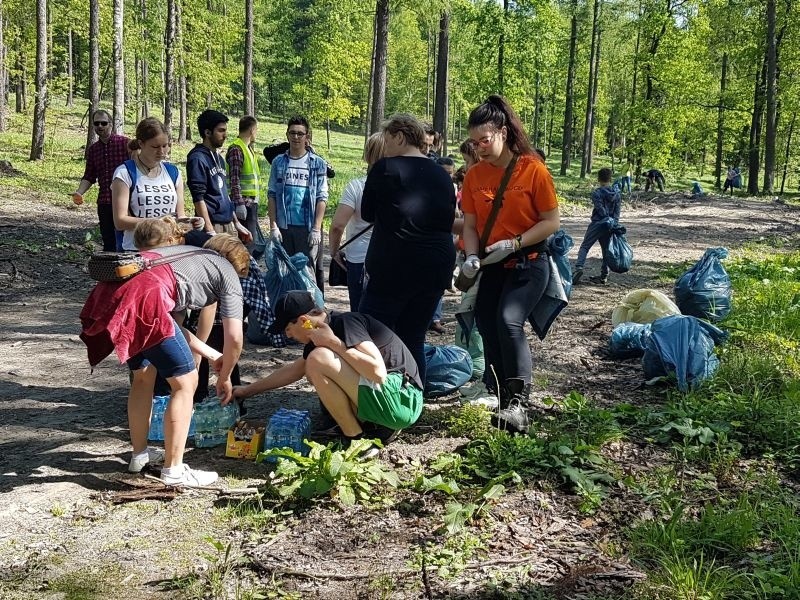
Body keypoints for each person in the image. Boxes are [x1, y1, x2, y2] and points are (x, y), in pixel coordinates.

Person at [79, 222, 250, 487]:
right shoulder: (227, 272)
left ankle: (139, 455)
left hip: (116, 295)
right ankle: (174, 470)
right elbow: (235, 337)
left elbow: (171, 326)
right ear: (237, 263)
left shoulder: (186, 253)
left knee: (143, 376)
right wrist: (225, 375)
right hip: (146, 300)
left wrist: (211, 355)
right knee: (186, 382)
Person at [459, 95, 560, 432]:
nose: (479, 148)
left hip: (529, 262)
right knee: (486, 323)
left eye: (484, 141)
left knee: (508, 320)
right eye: (474, 142)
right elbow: (471, 226)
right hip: (491, 265)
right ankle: (501, 397)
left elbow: (550, 221)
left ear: (502, 132)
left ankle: (520, 402)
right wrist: (472, 256)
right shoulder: (474, 176)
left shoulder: (533, 170)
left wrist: (516, 241)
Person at [233, 290, 424, 455]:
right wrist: (246, 391)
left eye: (288, 329)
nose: (288, 335)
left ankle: (356, 440)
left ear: (304, 321)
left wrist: (334, 344)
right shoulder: (318, 339)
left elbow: (378, 372)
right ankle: (375, 427)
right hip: (388, 400)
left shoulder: (346, 323)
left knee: (317, 360)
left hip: (402, 400)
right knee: (314, 361)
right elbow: (293, 370)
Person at [359, 114, 456, 386]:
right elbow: (448, 218)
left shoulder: (386, 168)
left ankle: (370, 398)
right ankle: (414, 399)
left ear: (400, 137)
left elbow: (367, 213)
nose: (386, 146)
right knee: (413, 336)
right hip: (436, 266)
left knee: (369, 332)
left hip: (395, 267)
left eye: (388, 139)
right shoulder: (441, 173)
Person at [267, 116, 329, 292]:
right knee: (284, 273)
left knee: (307, 274)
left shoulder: (317, 164)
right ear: (287, 135)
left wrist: (316, 228)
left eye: (300, 134)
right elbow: (272, 194)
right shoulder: (279, 162)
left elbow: (321, 197)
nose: (296, 137)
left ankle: (310, 313)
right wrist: (273, 227)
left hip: (307, 228)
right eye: (292, 133)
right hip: (284, 226)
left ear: (307, 136)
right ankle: (287, 314)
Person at [329, 132, 385, 312]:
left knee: (359, 316)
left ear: (367, 154)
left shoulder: (356, 186)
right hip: (389, 258)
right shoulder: (401, 187)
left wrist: (334, 250)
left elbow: (337, 226)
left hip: (359, 258)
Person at [111, 117, 186, 252]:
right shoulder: (124, 173)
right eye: (155, 147)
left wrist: (191, 222)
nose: (162, 152)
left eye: (165, 146)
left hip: (170, 248)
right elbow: (120, 221)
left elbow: (180, 216)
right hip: (136, 250)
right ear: (141, 143)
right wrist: (157, 223)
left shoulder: (173, 172)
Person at [187, 109, 252, 243]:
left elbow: (224, 194)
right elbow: (198, 198)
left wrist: (236, 222)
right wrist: (210, 231)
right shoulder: (197, 158)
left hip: (228, 224)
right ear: (207, 132)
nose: (225, 135)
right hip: (213, 224)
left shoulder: (219, 158)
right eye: (221, 131)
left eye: (225, 130)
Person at [73, 109, 130, 251]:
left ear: (110, 124)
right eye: (96, 123)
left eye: (103, 123)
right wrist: (79, 192)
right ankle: (110, 271)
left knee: (127, 240)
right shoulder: (93, 150)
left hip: (126, 201)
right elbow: (89, 175)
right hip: (104, 202)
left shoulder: (125, 143)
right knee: (109, 242)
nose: (100, 126)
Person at [572, 167, 621, 286]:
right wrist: (613, 223)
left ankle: (579, 268)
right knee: (606, 251)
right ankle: (604, 276)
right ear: (610, 178)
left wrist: (605, 218)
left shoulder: (596, 193)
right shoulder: (617, 194)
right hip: (610, 225)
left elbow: (600, 209)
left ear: (599, 178)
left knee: (585, 246)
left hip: (597, 223)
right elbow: (617, 212)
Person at [226, 115, 262, 245]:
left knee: (251, 243)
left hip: (251, 203)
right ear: (252, 130)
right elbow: (234, 178)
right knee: (246, 244)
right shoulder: (237, 149)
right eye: (256, 130)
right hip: (243, 204)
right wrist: (239, 203)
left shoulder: (248, 149)